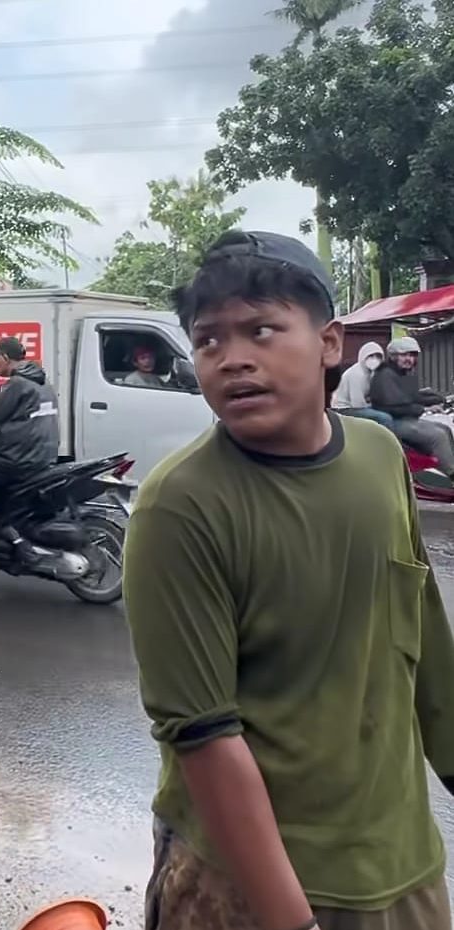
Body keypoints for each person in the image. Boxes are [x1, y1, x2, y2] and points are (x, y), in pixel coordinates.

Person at [123, 230, 454, 930]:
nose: (233, 359)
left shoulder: (378, 456)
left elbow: (420, 633)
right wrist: (289, 920)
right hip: (246, 886)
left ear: (330, 343)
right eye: (209, 340)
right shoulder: (180, 505)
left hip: (402, 864)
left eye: (262, 330)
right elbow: (204, 737)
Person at [0, 336, 60, 529]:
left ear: (4, 357)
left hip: (19, 459)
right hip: (43, 456)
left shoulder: (17, 384)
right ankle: (2, 526)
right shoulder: (43, 382)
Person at [370, 336, 454, 476]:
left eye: (413, 355)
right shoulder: (385, 375)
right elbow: (393, 407)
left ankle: (443, 466)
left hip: (405, 419)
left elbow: (413, 397)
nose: (409, 359)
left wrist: (438, 398)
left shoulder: (401, 374)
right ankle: (451, 474)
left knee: (444, 428)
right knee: (438, 436)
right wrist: (424, 409)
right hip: (394, 421)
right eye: (404, 355)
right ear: (393, 356)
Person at [331, 340, 394, 429]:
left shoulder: (372, 373)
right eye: (371, 356)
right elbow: (357, 404)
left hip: (359, 406)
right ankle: (387, 442)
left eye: (378, 356)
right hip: (344, 409)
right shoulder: (356, 374)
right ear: (363, 357)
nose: (374, 359)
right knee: (384, 418)